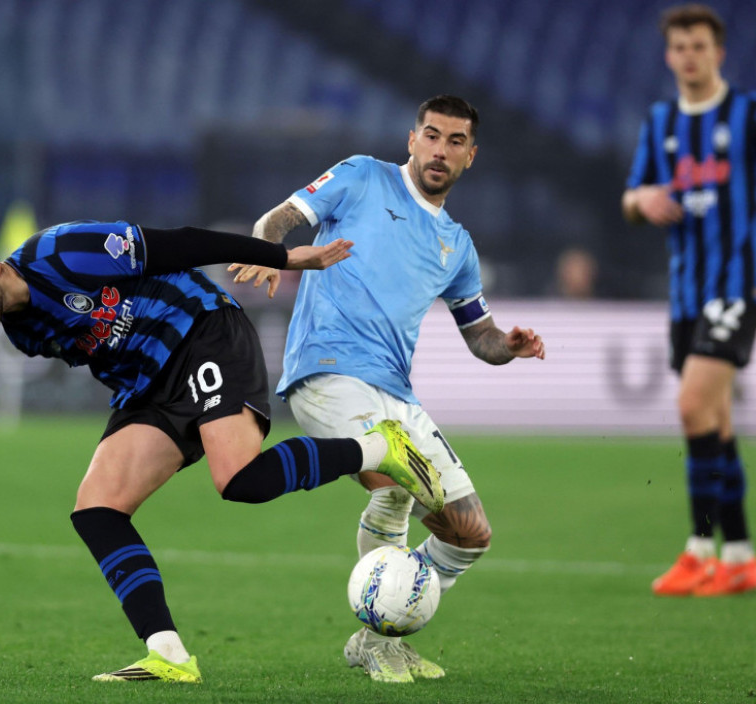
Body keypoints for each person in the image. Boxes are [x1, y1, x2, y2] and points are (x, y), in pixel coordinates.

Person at [0, 221, 446, 684]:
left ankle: (380, 446)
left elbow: (181, 243)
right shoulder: (22, 332)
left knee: (239, 480)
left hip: (202, 332)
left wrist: (282, 258)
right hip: (148, 386)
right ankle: (168, 655)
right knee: (96, 509)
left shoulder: (61, 252)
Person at [230, 95, 546, 683]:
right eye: (432, 135)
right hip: (327, 371)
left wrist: (509, 345)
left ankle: (379, 632)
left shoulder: (457, 246)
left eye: (455, 141)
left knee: (469, 535)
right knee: (395, 484)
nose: (440, 150)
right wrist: (272, 256)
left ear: (470, 156)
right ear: (412, 139)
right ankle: (381, 639)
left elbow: (479, 336)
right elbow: (277, 220)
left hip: (396, 393)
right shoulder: (361, 177)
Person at [622, 4, 756, 596]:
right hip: (687, 293)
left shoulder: (753, 114)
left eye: (699, 46)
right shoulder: (660, 122)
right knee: (714, 422)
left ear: (718, 52)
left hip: (741, 283)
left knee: (691, 405)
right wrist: (643, 201)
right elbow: (631, 196)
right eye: (680, 47)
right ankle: (742, 555)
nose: (690, 56)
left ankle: (700, 549)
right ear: (668, 55)